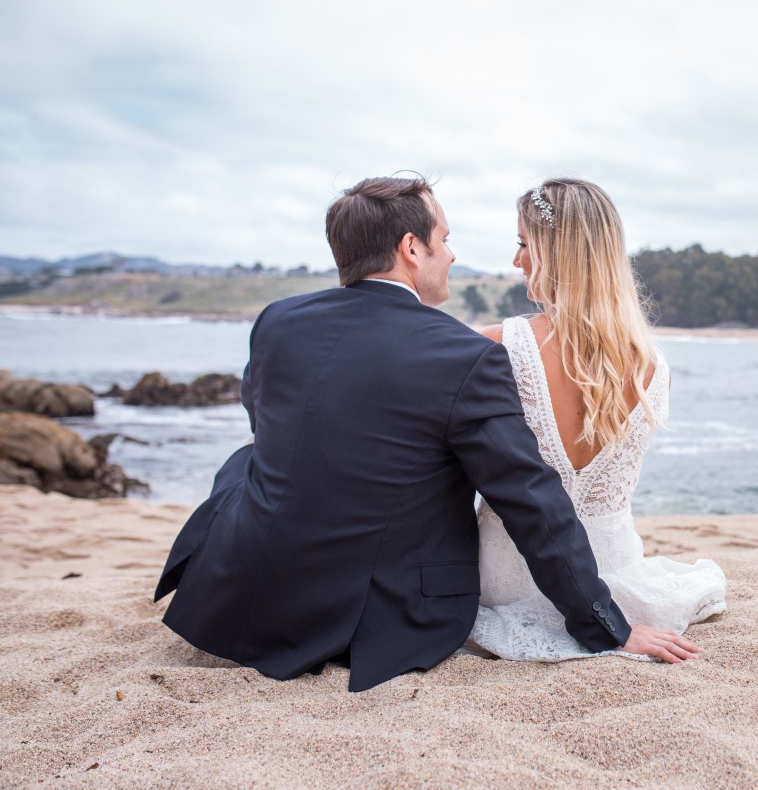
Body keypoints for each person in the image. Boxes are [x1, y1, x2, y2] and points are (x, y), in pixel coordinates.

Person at [154, 176, 700, 692]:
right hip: (380, 606)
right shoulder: (464, 354)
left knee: (246, 459)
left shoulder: (277, 321)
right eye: (445, 239)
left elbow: (270, 422)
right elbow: (529, 498)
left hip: (251, 587)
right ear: (412, 249)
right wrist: (606, 624)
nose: (454, 254)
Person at [468, 179, 726, 661]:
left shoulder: (492, 347)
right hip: (615, 572)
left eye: (524, 243)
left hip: (505, 576)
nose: (516, 259)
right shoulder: (654, 367)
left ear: (554, 251)